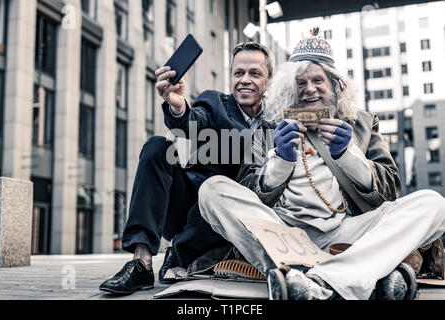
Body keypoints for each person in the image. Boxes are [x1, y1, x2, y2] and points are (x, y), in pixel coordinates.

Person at [197, 29, 445, 300]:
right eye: (300, 83)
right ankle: (355, 275)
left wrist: (347, 155)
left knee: (433, 203)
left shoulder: (362, 122)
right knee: (212, 189)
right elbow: (248, 188)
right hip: (280, 231)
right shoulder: (268, 125)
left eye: (318, 80)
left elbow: (390, 191)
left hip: (346, 232)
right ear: (290, 88)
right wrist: (280, 160)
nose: (310, 89)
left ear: (336, 86)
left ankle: (314, 281)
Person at [99, 41, 274, 295]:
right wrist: (178, 106)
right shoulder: (215, 103)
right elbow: (191, 125)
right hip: (187, 205)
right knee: (157, 146)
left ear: (268, 79)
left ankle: (180, 252)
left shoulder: (277, 124)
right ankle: (141, 262)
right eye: (239, 73)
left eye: (255, 73)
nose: (245, 80)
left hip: (225, 222)